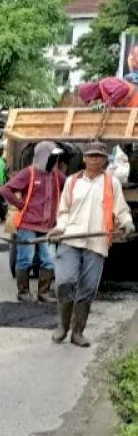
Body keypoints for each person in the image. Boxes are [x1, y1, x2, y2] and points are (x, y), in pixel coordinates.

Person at [49, 141, 134, 347]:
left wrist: (127, 222)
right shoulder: (72, 181)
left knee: (88, 289)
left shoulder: (111, 183)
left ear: (105, 160)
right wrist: (60, 228)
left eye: (99, 156)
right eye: (91, 156)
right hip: (71, 238)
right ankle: (63, 325)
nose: (94, 159)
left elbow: (120, 209)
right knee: (65, 282)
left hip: (96, 242)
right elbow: (63, 211)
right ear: (84, 158)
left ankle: (78, 332)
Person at [1, 141, 64, 302]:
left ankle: (44, 292)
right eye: (52, 156)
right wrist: (21, 205)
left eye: (56, 157)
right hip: (27, 225)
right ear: (43, 156)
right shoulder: (28, 174)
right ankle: (23, 292)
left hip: (49, 226)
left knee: (49, 259)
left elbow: (71, 187)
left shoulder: (57, 176)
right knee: (25, 259)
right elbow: (6, 190)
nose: (55, 160)